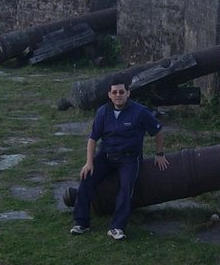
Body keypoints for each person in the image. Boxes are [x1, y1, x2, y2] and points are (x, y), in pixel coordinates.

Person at [70, 75, 169, 240]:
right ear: (109, 94)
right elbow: (93, 139)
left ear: (128, 93)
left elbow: (158, 131)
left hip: (130, 158)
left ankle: (116, 227)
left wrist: (159, 154)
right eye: (114, 92)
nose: (118, 95)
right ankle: (81, 223)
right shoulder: (103, 112)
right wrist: (89, 163)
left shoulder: (140, 112)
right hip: (107, 155)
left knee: (126, 189)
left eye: (121, 91)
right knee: (86, 178)